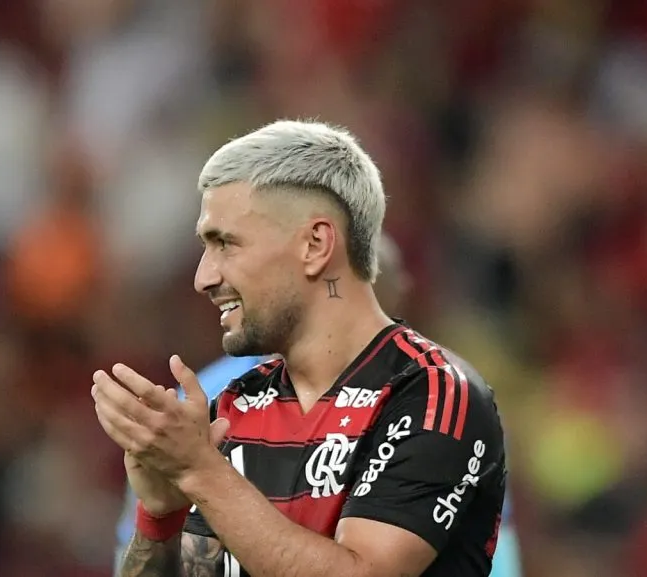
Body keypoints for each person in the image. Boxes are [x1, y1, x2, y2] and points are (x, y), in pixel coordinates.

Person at [91, 120, 507, 577]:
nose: (203, 277)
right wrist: (158, 518)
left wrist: (199, 471)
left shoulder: (434, 396)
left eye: (226, 244)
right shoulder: (232, 408)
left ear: (315, 244)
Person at [110, 236, 524, 577]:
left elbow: (492, 554)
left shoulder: (437, 402)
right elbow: (158, 549)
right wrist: (158, 517)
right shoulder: (208, 402)